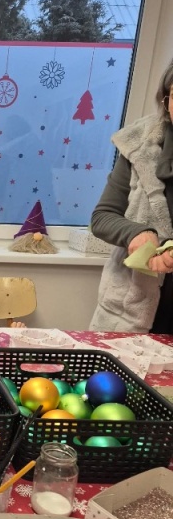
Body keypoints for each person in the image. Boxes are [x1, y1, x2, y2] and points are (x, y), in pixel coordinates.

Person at [90, 59, 173, 333]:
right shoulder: (139, 145)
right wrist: (137, 233)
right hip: (134, 309)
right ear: (165, 100)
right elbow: (102, 217)